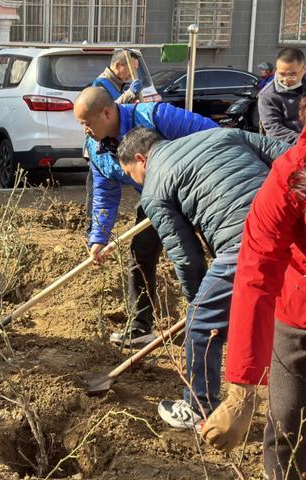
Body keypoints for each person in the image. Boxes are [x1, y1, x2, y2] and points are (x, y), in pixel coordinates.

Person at [116, 127, 289, 430]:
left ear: (141, 159)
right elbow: (287, 157)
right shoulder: (221, 134)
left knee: (200, 323)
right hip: (291, 223)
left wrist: (198, 302)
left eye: (132, 175)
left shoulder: (155, 187)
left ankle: (198, 405)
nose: (136, 182)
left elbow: (187, 257)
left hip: (247, 241)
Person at [201, 111, 306, 478]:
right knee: (285, 426)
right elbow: (256, 275)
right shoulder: (289, 178)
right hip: (298, 310)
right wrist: (241, 394)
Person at [74, 87, 217, 348]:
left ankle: (207, 326)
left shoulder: (156, 117)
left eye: (86, 123)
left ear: (106, 113)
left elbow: (213, 135)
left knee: (210, 255)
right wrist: (99, 237)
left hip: (200, 192)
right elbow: (104, 193)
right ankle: (140, 327)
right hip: (156, 200)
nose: (84, 129)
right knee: (141, 253)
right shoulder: (96, 148)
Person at [83, 49, 143, 228]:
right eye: (131, 68)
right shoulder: (101, 84)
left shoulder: (115, 85)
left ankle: (97, 227)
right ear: (118, 65)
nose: (133, 74)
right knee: (96, 190)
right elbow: (105, 112)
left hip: (110, 144)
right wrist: (130, 95)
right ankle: (92, 228)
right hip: (98, 146)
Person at [258, 47, 305, 143]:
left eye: (292, 75)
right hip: (284, 146)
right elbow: (274, 129)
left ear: (304, 70)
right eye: (282, 74)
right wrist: (302, 142)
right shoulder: (268, 94)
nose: (286, 79)